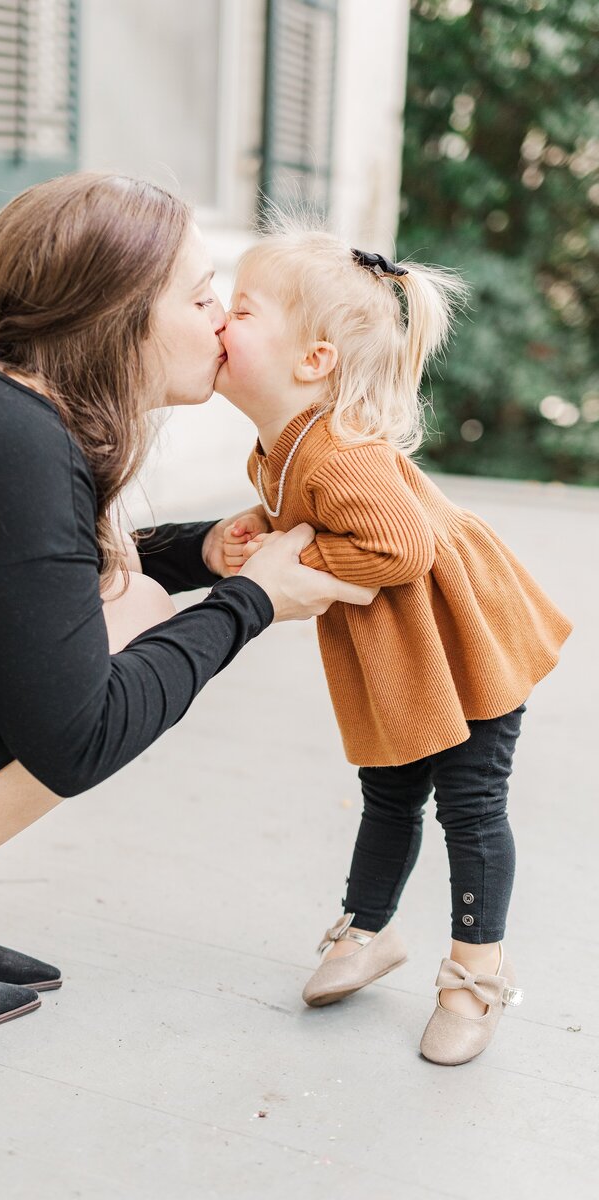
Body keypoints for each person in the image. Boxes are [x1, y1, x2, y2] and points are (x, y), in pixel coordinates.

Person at [0, 174, 377, 1046]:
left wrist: (197, 551)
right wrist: (250, 602)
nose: (222, 320)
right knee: (125, 614)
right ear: (123, 317)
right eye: (200, 296)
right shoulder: (5, 435)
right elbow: (78, 736)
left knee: (115, 595)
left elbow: (16, 585)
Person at [215, 224, 572, 1066]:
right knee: (389, 794)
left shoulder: (339, 453)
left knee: (471, 805)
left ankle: (475, 974)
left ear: (314, 360)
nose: (217, 322)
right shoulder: (282, 445)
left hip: (466, 642)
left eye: (238, 308)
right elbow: (318, 525)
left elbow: (401, 549)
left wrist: (290, 557)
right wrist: (259, 533)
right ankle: (366, 934)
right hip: (407, 656)